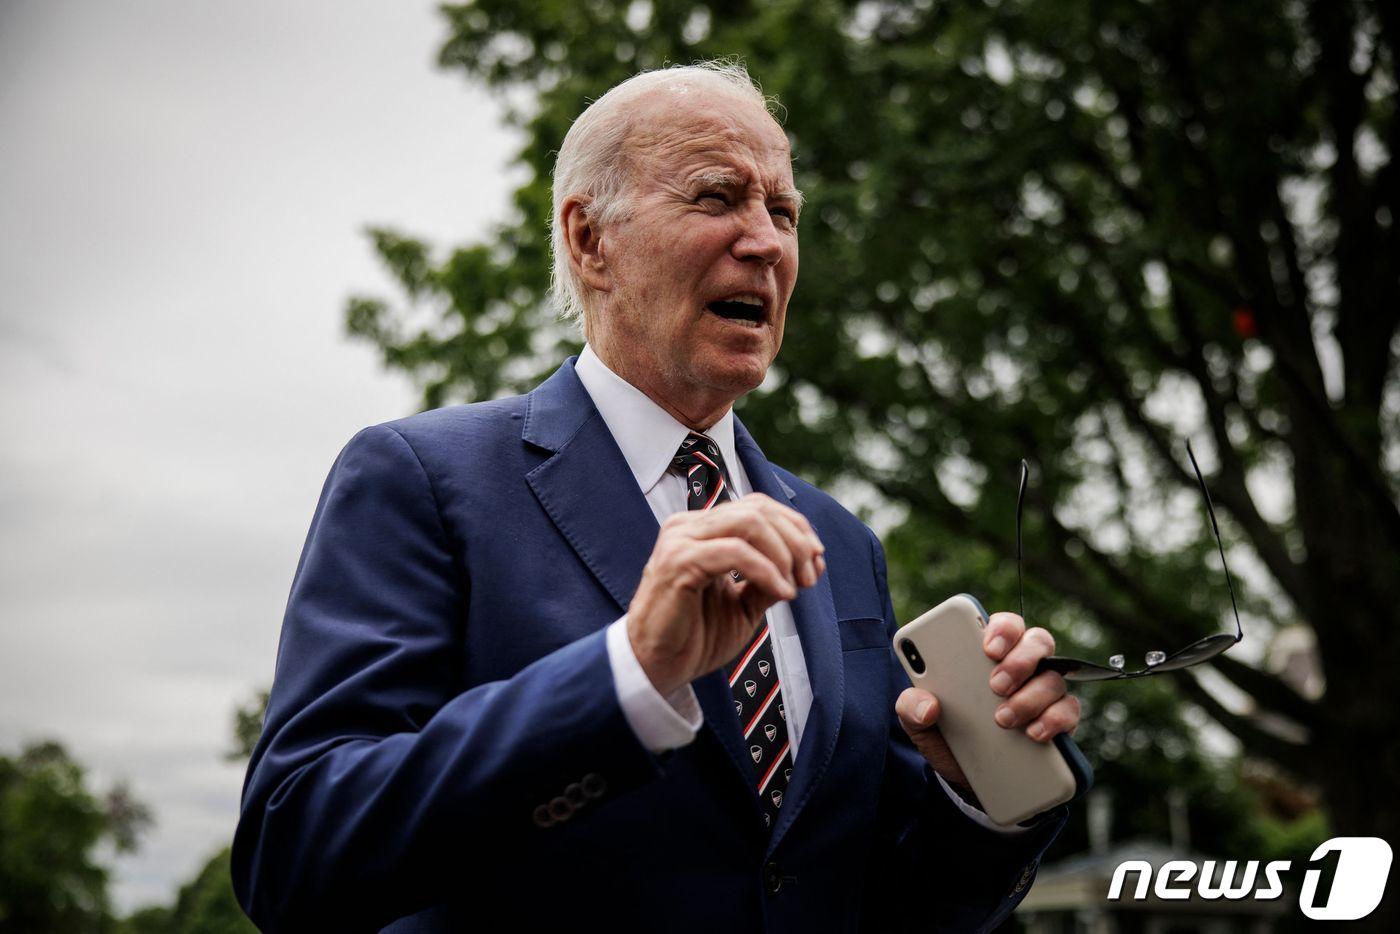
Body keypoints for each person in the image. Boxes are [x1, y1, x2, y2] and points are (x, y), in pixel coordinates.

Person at [232, 61, 1081, 933]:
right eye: (717, 198)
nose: (766, 242)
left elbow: (876, 905)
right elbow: (294, 849)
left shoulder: (842, 542)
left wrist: (975, 796)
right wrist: (627, 674)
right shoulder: (422, 478)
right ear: (589, 239)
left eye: (783, 213)